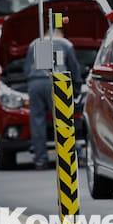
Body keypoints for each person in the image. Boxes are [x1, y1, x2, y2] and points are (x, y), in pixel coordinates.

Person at [23, 28, 82, 169]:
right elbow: (74, 68)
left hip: (35, 84)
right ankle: (69, 156)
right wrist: (76, 88)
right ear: (61, 34)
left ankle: (40, 160)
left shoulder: (35, 43)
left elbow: (26, 69)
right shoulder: (65, 43)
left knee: (37, 122)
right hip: (57, 83)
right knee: (62, 119)